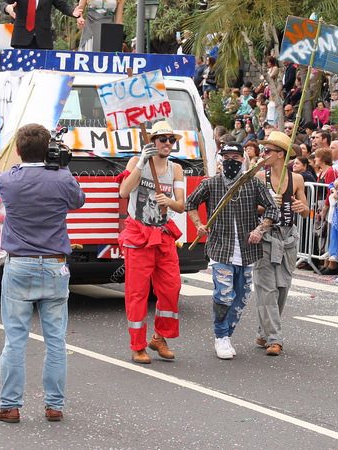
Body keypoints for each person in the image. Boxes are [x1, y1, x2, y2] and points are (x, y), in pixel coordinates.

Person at [0, 124, 86, 424]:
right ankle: (54, 405)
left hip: (20, 263)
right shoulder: (62, 178)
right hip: (55, 262)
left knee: (15, 339)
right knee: (55, 340)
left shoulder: (8, 180)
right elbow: (78, 201)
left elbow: (3, 179)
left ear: (18, 150)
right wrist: (61, 168)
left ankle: (10, 405)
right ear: (49, 150)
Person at [186, 143, 278, 359]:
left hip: (247, 250)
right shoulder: (212, 184)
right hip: (220, 249)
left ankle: (227, 333)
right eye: (226, 157)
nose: (231, 161)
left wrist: (260, 229)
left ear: (243, 159)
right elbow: (190, 202)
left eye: (235, 157)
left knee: (242, 297)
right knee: (224, 294)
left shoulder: (253, 184)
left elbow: (272, 208)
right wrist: (199, 223)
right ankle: (221, 336)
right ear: (220, 159)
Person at [117, 120, 186, 364]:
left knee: (171, 287)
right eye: (163, 139)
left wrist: (169, 203)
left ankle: (159, 337)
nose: (168, 144)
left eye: (171, 140)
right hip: (139, 235)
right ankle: (137, 345)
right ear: (152, 141)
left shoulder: (175, 169)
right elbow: (124, 192)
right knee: (137, 292)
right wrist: (142, 163)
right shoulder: (137, 162)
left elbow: (181, 204)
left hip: (163, 235)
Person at [254, 131, 309, 356]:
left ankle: (264, 331)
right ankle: (275, 338)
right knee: (266, 289)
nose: (263, 154)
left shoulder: (296, 179)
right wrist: (266, 205)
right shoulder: (259, 177)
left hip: (287, 238)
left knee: (281, 288)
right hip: (265, 235)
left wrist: (300, 207)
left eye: (268, 151)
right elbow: (250, 209)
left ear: (281, 155)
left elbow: (306, 211)